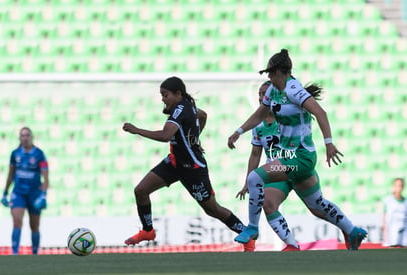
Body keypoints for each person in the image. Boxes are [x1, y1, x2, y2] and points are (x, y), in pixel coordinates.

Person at [228, 49, 367, 250]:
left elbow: (320, 112)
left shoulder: (294, 89)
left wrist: (329, 143)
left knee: (254, 178)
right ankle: (353, 231)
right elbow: (260, 114)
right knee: (317, 206)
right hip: (289, 158)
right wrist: (238, 131)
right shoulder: (273, 90)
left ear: (280, 72)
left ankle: (252, 228)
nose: (268, 77)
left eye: (270, 73)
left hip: (299, 157)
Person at [122, 76, 255, 251]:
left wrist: (136, 130)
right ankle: (148, 231)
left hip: (193, 168)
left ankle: (247, 235)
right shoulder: (187, 105)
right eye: (161, 95)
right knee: (141, 190)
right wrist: (195, 137)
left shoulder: (179, 109)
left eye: (165, 95)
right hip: (174, 162)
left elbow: (165, 135)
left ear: (178, 94)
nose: (162, 99)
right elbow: (203, 115)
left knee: (213, 209)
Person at [236, 80, 328, 251]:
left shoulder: (287, 117)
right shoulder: (258, 126)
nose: (262, 97)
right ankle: (292, 244)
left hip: (296, 166)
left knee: (317, 209)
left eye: (265, 93)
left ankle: (349, 229)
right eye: (260, 94)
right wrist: (247, 182)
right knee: (268, 204)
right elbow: (255, 154)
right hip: (276, 172)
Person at [1, 127, 49, 254]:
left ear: (31, 137)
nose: (25, 138)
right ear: (19, 138)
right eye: (22, 135)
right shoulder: (15, 154)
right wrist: (5, 193)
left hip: (34, 194)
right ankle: (15, 253)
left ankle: (34, 253)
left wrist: (43, 195)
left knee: (34, 226)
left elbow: (45, 177)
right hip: (18, 193)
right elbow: (10, 175)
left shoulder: (39, 154)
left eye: (27, 135)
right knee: (17, 222)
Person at [382, 177, 407, 247]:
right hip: (391, 231)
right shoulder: (388, 200)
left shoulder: (405, 202)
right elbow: (385, 215)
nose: (399, 188)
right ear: (393, 186)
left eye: (400, 185)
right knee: (392, 248)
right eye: (397, 185)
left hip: (404, 230)